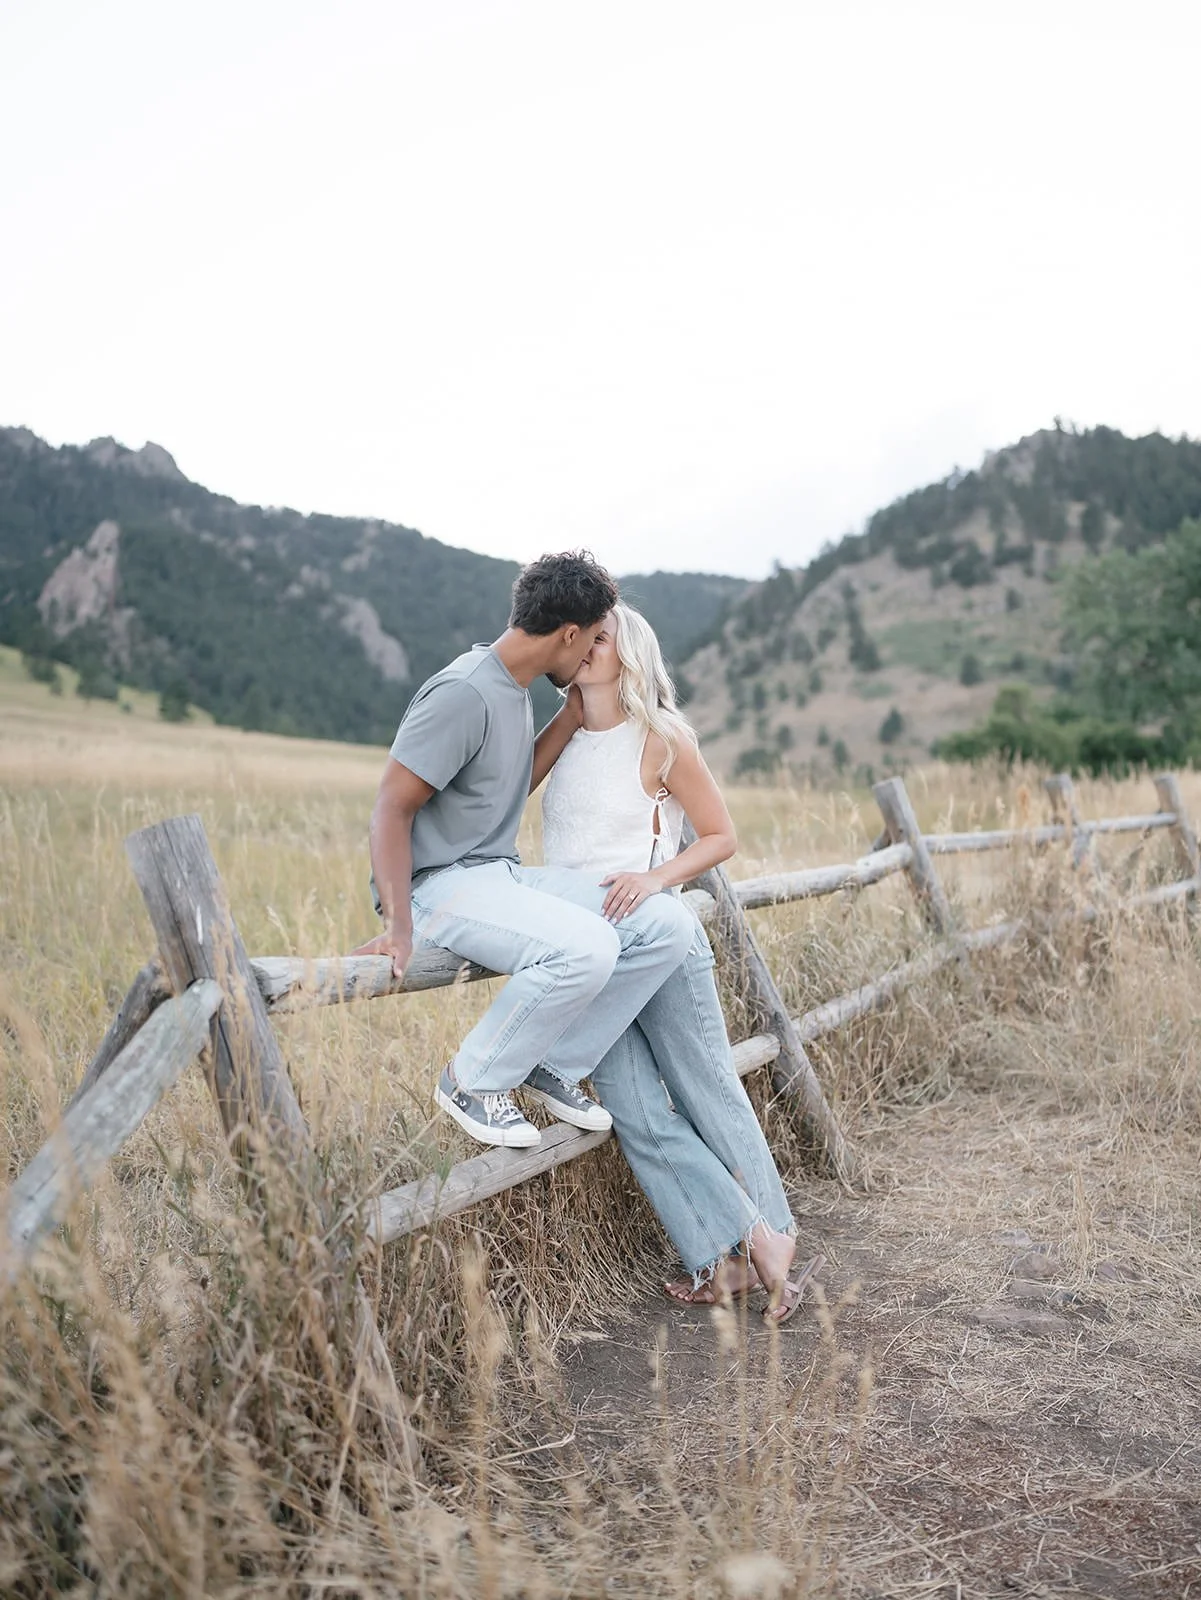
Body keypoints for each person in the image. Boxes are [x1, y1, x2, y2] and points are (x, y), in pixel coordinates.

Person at [531, 603, 824, 1323]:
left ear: (631, 652)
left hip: (659, 943)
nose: (592, 647)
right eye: (584, 637)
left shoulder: (661, 737)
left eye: (605, 637)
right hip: (590, 951)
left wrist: (656, 881)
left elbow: (719, 836)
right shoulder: (563, 735)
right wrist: (564, 717)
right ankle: (722, 1258)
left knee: (705, 1091)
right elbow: (511, 792)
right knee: (632, 1110)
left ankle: (776, 1240)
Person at [356, 552, 695, 1150]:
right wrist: (400, 924)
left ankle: (552, 1065)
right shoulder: (463, 691)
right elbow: (391, 806)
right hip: (439, 884)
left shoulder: (515, 688)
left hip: (497, 875)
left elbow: (507, 784)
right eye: (591, 639)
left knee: (665, 922)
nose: (593, 652)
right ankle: (472, 1080)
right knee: (586, 945)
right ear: (568, 634)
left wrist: (567, 718)